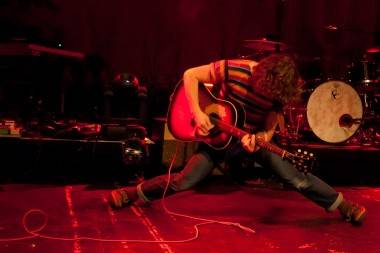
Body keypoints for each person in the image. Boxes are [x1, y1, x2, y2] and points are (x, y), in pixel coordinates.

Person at [108, 54, 366, 225]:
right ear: (261, 74)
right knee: (183, 180)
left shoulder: (279, 92)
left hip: (248, 138)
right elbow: (190, 75)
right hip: (218, 136)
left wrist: (263, 137)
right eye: (264, 89)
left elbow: (271, 121)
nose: (266, 94)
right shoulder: (235, 69)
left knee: (294, 176)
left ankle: (343, 206)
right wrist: (198, 114)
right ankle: (131, 193)